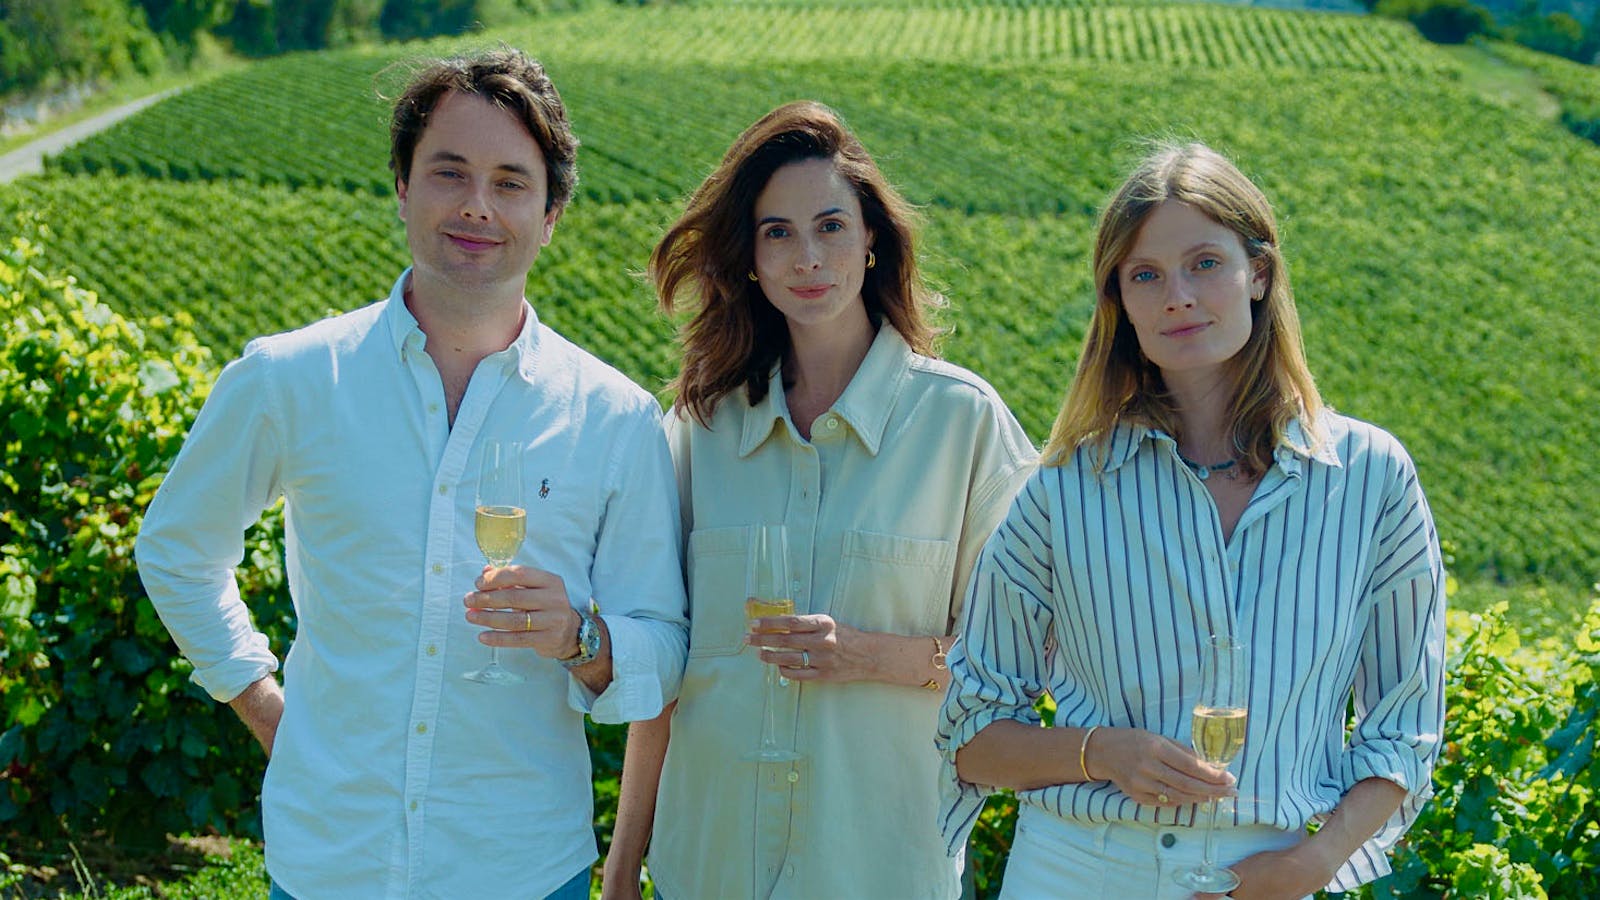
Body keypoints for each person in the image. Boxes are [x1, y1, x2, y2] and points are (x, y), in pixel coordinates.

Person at [134, 49, 688, 899]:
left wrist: (583, 640)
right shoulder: (292, 377)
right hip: (330, 862)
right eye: (448, 172)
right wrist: (264, 706)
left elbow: (664, 639)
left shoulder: (612, 417)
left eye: (510, 182)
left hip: (524, 868)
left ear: (551, 215)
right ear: (401, 187)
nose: (476, 205)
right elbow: (176, 549)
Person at [936, 142, 1447, 899]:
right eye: (1146, 276)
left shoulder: (1372, 478)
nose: (1177, 295)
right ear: (1121, 303)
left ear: (1260, 274)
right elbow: (971, 739)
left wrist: (1311, 864)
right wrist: (1101, 753)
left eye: (1205, 263)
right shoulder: (1062, 492)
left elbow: (1406, 728)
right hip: (1076, 872)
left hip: (1272, 876)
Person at [600, 101, 1036, 900]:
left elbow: (1025, 659)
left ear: (873, 240)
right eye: (778, 233)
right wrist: (622, 869)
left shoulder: (962, 425)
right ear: (752, 260)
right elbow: (664, 666)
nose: (808, 257)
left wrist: (872, 656)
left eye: (831, 226)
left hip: (882, 870)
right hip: (710, 869)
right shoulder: (700, 431)